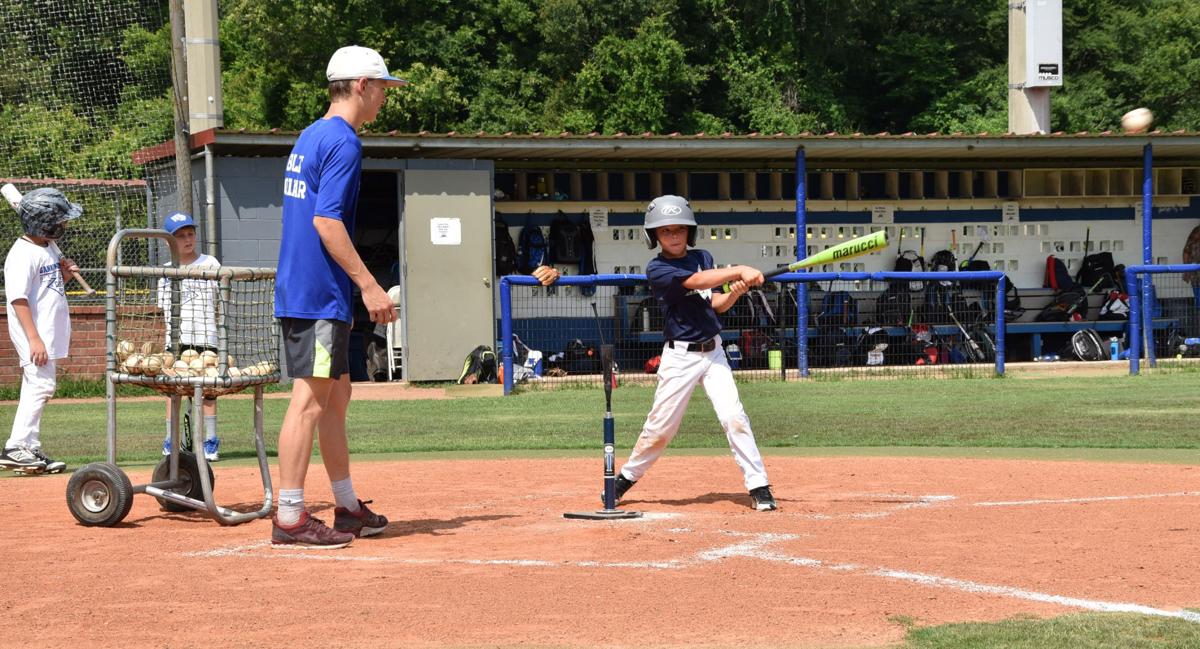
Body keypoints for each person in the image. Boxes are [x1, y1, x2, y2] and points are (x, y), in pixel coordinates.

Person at [271, 45, 405, 548]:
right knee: (308, 401)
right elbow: (326, 222)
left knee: (336, 397)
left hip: (312, 289)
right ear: (360, 86)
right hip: (318, 292)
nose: (385, 98)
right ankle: (289, 515)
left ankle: (345, 505)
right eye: (383, 88)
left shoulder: (311, 134)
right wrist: (369, 285)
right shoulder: (344, 141)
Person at [612, 195, 777, 511]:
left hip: (713, 352)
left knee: (734, 417)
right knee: (661, 429)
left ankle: (759, 486)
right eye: (665, 231)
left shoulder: (703, 256)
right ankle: (625, 478)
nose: (673, 236)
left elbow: (715, 303)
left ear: (690, 231)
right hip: (681, 357)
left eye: (679, 229)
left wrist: (736, 292)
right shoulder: (657, 268)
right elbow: (695, 282)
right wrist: (739, 270)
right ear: (655, 236)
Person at [0, 188, 82, 475]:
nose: (64, 224)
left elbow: (47, 286)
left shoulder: (45, 246)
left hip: (46, 329)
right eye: (60, 220)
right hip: (32, 330)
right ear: (44, 222)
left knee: (36, 386)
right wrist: (34, 338)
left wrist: (66, 274)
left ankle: (30, 449)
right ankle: (16, 446)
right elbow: (18, 298)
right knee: (41, 385)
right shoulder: (22, 254)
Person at [157, 212, 221, 461]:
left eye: (190, 234)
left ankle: (210, 441)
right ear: (168, 242)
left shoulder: (210, 263)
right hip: (176, 340)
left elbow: (218, 302)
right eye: (180, 236)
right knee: (174, 392)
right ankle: (172, 441)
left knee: (208, 391)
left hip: (207, 338)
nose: (187, 240)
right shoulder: (165, 271)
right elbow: (164, 309)